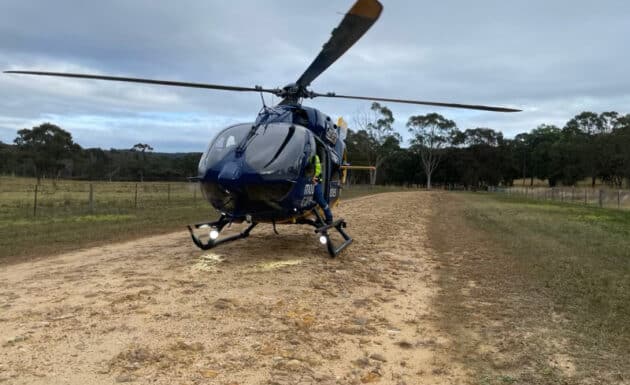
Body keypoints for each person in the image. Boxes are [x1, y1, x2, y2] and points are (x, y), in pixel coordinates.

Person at [311, 153, 334, 224]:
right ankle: (318, 217)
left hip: (316, 182)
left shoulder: (314, 157)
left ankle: (329, 218)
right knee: (312, 202)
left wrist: (314, 178)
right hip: (309, 181)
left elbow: (317, 169)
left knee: (320, 200)